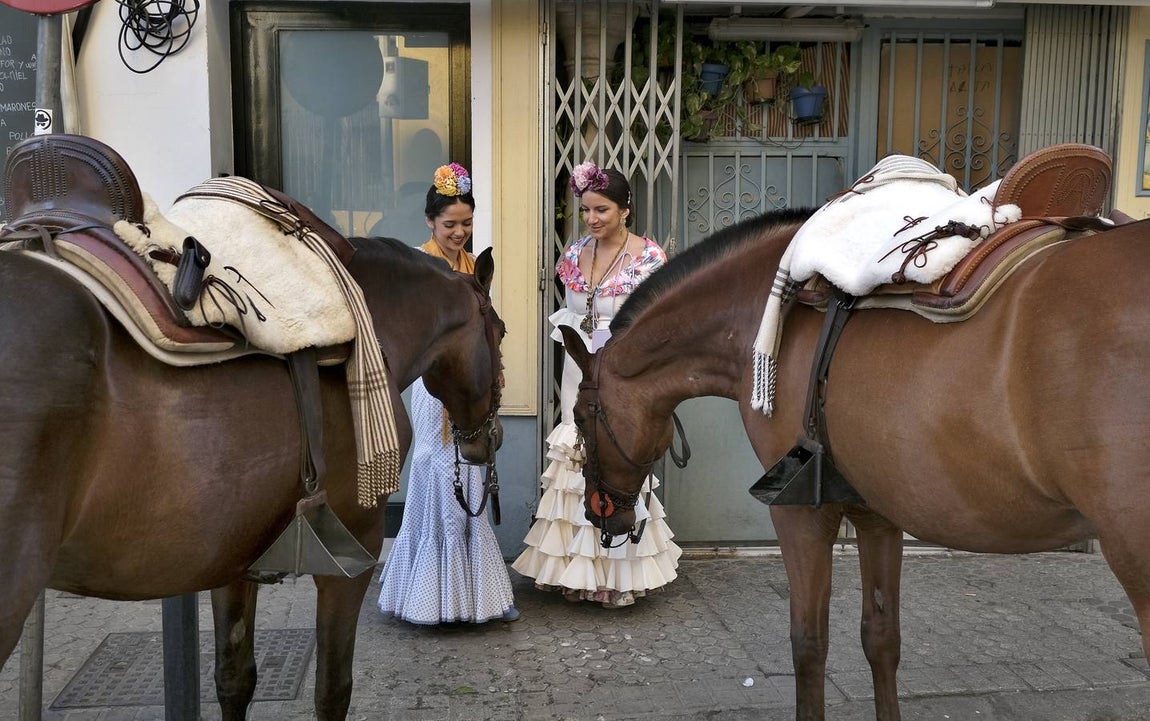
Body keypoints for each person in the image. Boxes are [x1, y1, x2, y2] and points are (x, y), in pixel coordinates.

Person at [512, 161, 682, 609]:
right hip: (579, 373)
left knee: (617, 462)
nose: (592, 219)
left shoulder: (649, 259)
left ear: (625, 209)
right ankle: (575, 570)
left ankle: (616, 574)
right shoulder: (572, 255)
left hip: (625, 375)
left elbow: (658, 323)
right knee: (576, 458)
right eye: (586, 210)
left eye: (602, 209)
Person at [377, 162, 519, 624]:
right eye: (450, 224)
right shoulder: (419, 268)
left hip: (469, 385)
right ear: (430, 222)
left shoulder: (475, 268)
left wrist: (493, 376)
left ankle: (475, 595)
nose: (459, 232)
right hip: (430, 386)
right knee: (434, 466)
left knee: (472, 471)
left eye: (467, 223)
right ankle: (430, 594)